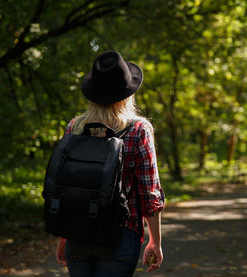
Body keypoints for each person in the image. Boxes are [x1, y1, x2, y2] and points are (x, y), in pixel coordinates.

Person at [54, 51, 165, 277]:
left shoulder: (74, 128)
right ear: (127, 94)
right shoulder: (139, 129)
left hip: (77, 230)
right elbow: (149, 193)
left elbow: (66, 186)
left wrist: (63, 236)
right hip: (121, 233)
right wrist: (155, 241)